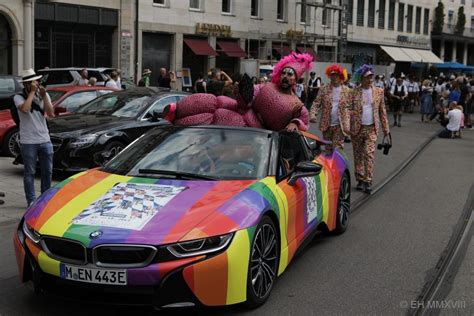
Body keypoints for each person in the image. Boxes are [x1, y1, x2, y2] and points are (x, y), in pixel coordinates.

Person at [164, 52, 313, 132]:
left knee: (221, 116)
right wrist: (242, 92)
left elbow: (303, 121)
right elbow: (250, 96)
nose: (285, 76)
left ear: (296, 79)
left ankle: (179, 125)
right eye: (284, 73)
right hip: (244, 110)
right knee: (218, 101)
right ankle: (176, 111)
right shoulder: (267, 86)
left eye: (290, 74)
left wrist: (295, 123)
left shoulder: (297, 105)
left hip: (255, 130)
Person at [14, 69, 55, 206]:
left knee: (47, 172)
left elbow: (51, 113)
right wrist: (32, 92)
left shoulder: (44, 94)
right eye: (31, 82)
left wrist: (44, 97)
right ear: (25, 84)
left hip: (45, 139)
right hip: (28, 141)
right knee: (29, 172)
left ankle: (44, 199)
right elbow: (25, 109)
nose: (35, 84)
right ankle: (31, 201)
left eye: (36, 81)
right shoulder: (18, 97)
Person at [348, 64, 390, 194]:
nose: (370, 79)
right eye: (367, 77)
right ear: (361, 78)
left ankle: (368, 180)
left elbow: (382, 111)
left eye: (371, 77)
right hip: (357, 128)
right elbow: (348, 109)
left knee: (369, 153)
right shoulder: (354, 92)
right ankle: (360, 178)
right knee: (358, 155)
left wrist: (386, 130)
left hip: (372, 128)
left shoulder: (379, 91)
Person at [309, 64, 351, 150]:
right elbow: (316, 103)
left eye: (336, 75)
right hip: (326, 125)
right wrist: (313, 114)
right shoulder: (323, 89)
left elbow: (353, 107)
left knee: (337, 150)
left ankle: (337, 163)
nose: (334, 77)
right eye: (332, 75)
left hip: (340, 125)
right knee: (328, 149)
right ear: (329, 76)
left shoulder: (347, 91)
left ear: (341, 76)